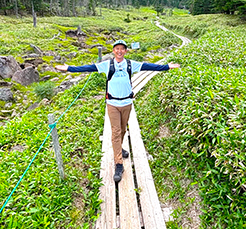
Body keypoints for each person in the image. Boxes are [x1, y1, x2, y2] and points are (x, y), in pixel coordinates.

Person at [55, 39, 180, 182]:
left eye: (122, 49)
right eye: (117, 49)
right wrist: (70, 68)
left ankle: (119, 148)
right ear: (113, 51)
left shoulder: (130, 64)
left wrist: (166, 67)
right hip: (112, 103)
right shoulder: (107, 65)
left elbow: (148, 66)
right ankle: (119, 164)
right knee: (116, 132)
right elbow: (88, 68)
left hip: (127, 103)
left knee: (122, 129)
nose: (119, 51)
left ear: (125, 51)